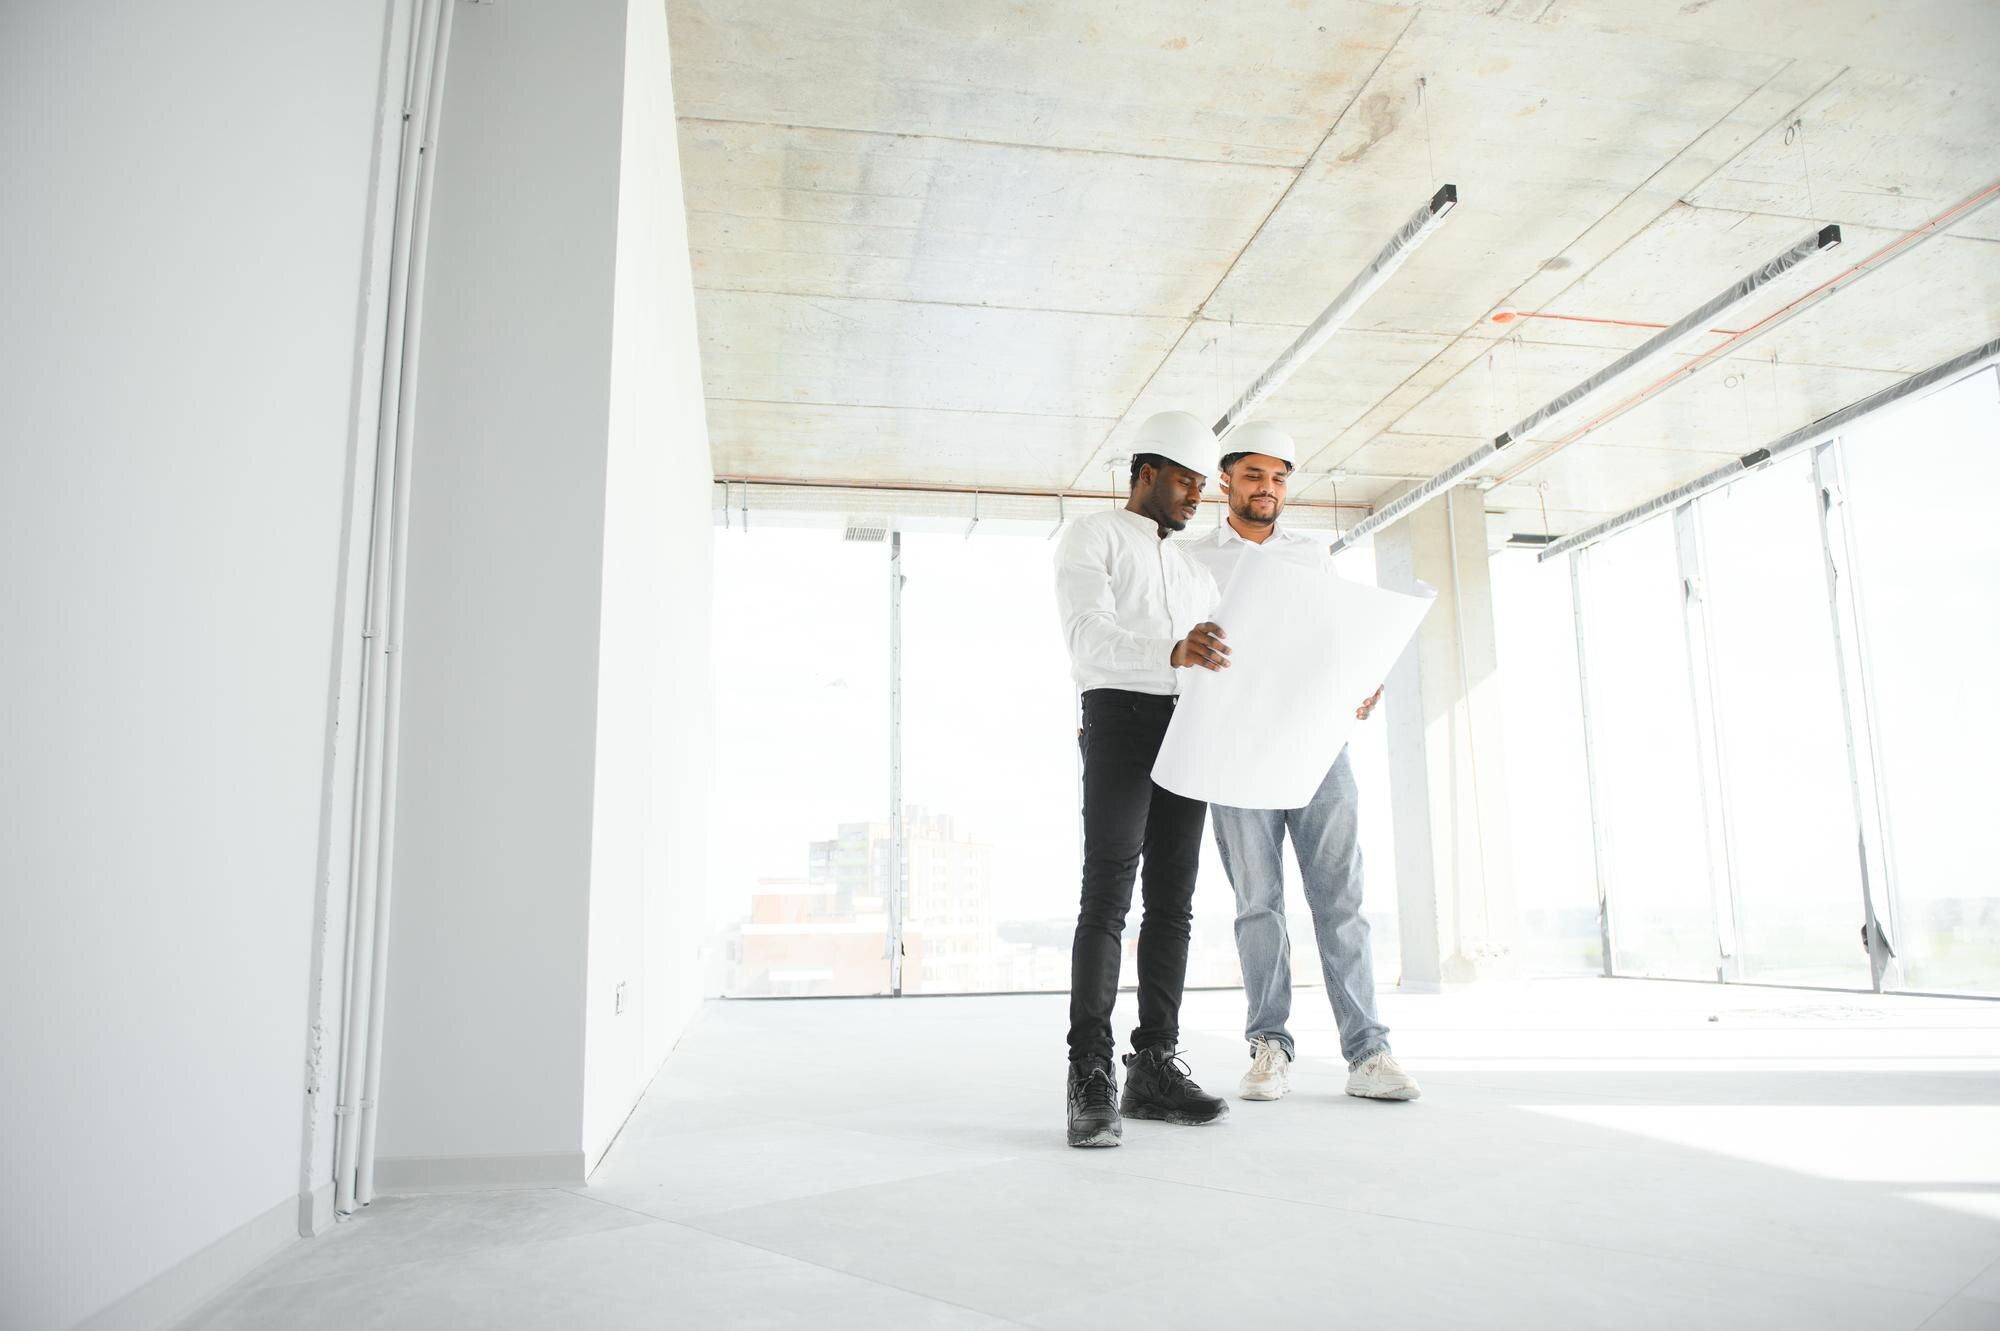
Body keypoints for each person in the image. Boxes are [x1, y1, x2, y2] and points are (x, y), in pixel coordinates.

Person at [1182, 420, 1421, 1104]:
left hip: (1318, 745)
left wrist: (1363, 681)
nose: (1268, 488)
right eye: (1253, 475)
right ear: (1225, 481)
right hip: (1236, 752)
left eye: (1279, 478)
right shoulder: (1193, 558)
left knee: (1341, 899)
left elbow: (1335, 638)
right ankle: (1269, 1046)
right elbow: (1185, 650)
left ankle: (1369, 1052)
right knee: (1258, 904)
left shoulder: (1311, 554)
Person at [1054, 410, 1234, 1148]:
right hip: (1120, 718)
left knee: (1173, 905)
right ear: (1147, 473)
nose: (1196, 496)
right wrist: (1172, 649)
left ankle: (1153, 1065)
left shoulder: (1196, 573)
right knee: (1107, 896)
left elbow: (1227, 661)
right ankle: (1090, 1072)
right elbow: (1086, 638)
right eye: (1185, 481)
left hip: (1187, 726)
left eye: (1202, 485)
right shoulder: (1092, 536)